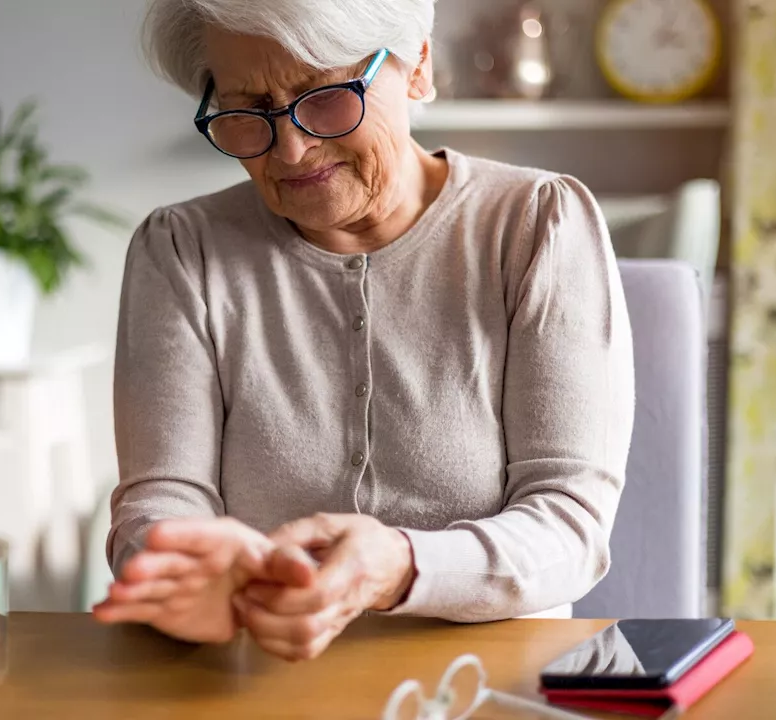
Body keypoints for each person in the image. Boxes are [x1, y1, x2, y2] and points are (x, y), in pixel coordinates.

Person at [94, 0, 635, 662]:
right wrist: (189, 566)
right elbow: (160, 498)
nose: (291, 148)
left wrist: (399, 565)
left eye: (324, 98)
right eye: (249, 109)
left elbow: (568, 526)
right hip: (258, 676)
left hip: (496, 680)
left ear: (418, 70)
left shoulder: (536, 224)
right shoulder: (181, 248)